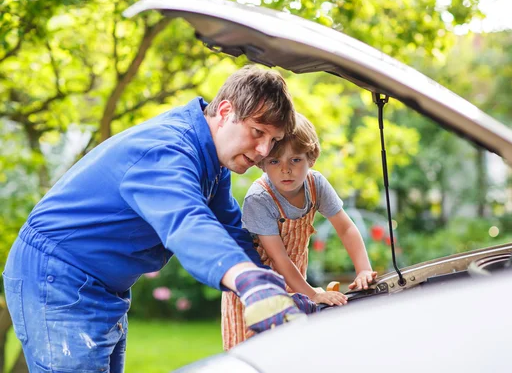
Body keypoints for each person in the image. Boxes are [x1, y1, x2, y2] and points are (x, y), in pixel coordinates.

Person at [2, 65, 311, 373]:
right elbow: (188, 223)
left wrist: (279, 293)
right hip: (58, 276)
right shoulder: (167, 150)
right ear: (226, 110)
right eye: (257, 132)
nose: (263, 150)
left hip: (100, 284)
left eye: (273, 140)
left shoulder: (212, 161)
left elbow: (229, 230)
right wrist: (247, 281)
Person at [221, 112, 377, 350]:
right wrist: (312, 294)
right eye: (275, 161)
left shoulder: (316, 185)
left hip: (295, 281)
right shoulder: (260, 198)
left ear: (311, 158)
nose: (286, 170)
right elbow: (278, 258)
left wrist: (363, 269)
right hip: (257, 287)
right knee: (256, 350)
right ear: (262, 163)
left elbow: (345, 228)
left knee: (292, 351)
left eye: (295, 160)